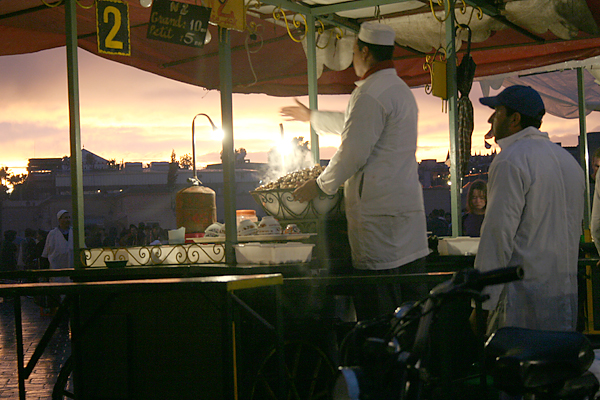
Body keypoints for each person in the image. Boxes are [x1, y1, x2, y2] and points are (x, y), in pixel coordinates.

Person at [280, 21, 429, 319]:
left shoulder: (370, 93)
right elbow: (355, 128)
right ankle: (414, 363)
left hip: (378, 218)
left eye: (354, 52)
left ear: (363, 51)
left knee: (380, 312)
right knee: (413, 312)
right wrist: (312, 116)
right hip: (405, 216)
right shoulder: (398, 90)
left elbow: (353, 151)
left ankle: (381, 364)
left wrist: (320, 185)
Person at [472, 85, 584, 333]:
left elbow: (497, 235)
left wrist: (483, 302)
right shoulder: (569, 162)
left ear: (515, 119)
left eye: (497, 112)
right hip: (564, 299)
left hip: (522, 303)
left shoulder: (511, 159)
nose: (491, 119)